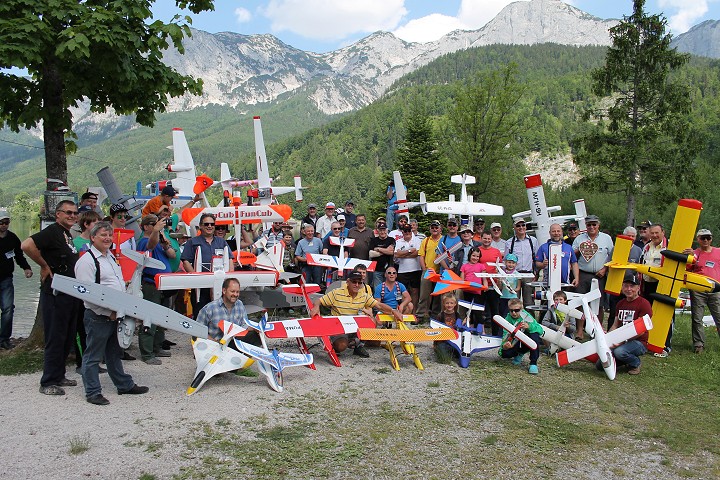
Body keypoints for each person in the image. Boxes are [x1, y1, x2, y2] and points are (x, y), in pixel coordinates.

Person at [75, 222, 149, 405]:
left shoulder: (109, 257)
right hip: (99, 316)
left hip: (116, 315)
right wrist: (108, 312)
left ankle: (123, 384)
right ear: (93, 237)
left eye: (109, 235)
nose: (107, 238)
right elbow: (87, 294)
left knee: (113, 353)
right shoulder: (87, 261)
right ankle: (92, 392)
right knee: (93, 355)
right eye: (103, 235)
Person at [21, 200, 81, 395]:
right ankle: (48, 381)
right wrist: (44, 265)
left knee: (67, 335)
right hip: (55, 292)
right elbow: (27, 245)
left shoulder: (66, 234)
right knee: (55, 336)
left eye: (75, 213)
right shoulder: (52, 231)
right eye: (68, 213)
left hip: (70, 291)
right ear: (58, 214)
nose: (72, 216)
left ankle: (59, 374)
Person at [309, 270, 402, 357]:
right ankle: (339, 343)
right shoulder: (336, 293)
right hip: (339, 327)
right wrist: (316, 307)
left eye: (360, 282)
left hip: (354, 326)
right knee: (341, 346)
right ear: (348, 282)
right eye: (354, 282)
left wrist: (393, 311)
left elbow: (379, 305)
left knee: (375, 339)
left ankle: (358, 345)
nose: (357, 285)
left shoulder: (364, 295)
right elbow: (319, 301)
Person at [136, 214, 175, 365]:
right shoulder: (144, 241)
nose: (157, 226)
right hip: (150, 283)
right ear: (146, 226)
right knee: (150, 318)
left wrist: (165, 242)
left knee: (161, 318)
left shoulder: (159, 241)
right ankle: (147, 352)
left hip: (163, 284)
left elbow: (171, 255)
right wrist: (156, 232)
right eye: (153, 223)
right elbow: (149, 246)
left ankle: (157, 346)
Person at [180, 213, 234, 316]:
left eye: (212, 224)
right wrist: (196, 277)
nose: (209, 226)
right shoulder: (192, 242)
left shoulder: (222, 242)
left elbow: (230, 259)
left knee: (220, 313)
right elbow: (186, 261)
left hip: (219, 285)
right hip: (200, 287)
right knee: (200, 313)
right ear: (200, 226)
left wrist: (229, 278)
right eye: (206, 224)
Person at [601, 273, 653, 375]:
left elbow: (641, 331)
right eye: (626, 286)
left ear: (638, 288)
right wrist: (608, 338)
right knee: (600, 364)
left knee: (619, 352)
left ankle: (635, 363)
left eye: (632, 286)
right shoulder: (620, 303)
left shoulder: (644, 304)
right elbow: (615, 324)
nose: (629, 289)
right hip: (622, 340)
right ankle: (623, 361)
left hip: (639, 342)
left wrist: (622, 341)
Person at [572, 214, 613, 339]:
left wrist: (605, 269)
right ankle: (580, 330)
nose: (591, 227)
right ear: (586, 225)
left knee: (598, 304)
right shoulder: (579, 238)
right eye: (589, 224)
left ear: (598, 225)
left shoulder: (606, 238)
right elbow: (572, 256)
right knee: (581, 302)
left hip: (600, 275)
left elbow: (612, 256)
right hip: (583, 273)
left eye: (594, 224)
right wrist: (581, 248)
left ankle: (597, 329)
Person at [0, 210, 33, 350]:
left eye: (6, 222)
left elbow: (19, 255)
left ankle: (4, 339)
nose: (3, 225)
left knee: (8, 309)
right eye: (1, 223)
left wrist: (26, 268)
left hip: (6, 278)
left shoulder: (12, 238)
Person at [684, 229, 720, 354]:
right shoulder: (694, 253)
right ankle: (699, 344)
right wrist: (687, 257)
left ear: (711, 239)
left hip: (715, 288)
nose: (706, 240)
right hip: (698, 289)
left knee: (718, 316)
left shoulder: (718, 252)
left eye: (708, 238)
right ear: (698, 239)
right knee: (697, 317)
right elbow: (687, 269)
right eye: (703, 238)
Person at [196, 278, 260, 346]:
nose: (235, 294)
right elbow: (198, 330)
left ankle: (245, 356)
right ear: (224, 291)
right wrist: (214, 342)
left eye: (237, 292)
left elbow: (244, 325)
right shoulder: (209, 308)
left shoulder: (240, 304)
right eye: (232, 291)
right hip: (215, 344)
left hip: (233, 342)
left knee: (255, 336)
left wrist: (255, 328)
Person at [641, 223, 671, 356]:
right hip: (647, 284)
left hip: (662, 284)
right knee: (648, 313)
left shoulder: (670, 246)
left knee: (665, 314)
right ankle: (649, 341)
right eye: (652, 233)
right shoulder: (647, 246)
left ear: (663, 232)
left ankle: (665, 345)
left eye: (657, 233)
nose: (654, 235)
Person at [498, 298, 543, 374]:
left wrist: (529, 327)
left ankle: (533, 363)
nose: (514, 313)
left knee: (534, 335)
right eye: (511, 310)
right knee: (505, 354)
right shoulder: (507, 318)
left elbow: (540, 330)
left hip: (527, 339)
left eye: (516, 310)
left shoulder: (527, 316)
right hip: (515, 341)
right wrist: (505, 345)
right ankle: (519, 353)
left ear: (521, 309)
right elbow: (505, 334)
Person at [504, 219, 538, 308]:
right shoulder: (509, 242)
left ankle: (529, 321)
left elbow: (536, 259)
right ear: (514, 228)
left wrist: (536, 274)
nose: (521, 227)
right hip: (514, 275)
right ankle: (513, 321)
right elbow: (506, 260)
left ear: (526, 227)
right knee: (513, 301)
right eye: (518, 226)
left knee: (529, 302)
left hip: (528, 274)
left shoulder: (533, 241)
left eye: (523, 225)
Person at [534, 223, 579, 287]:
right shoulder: (543, 247)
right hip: (548, 283)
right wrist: (542, 264)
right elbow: (537, 264)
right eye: (553, 231)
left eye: (558, 231)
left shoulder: (568, 247)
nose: (556, 233)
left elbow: (574, 263)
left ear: (562, 232)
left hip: (565, 283)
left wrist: (576, 278)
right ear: (549, 233)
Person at [417, 220, 444, 321]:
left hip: (440, 272)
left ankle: (435, 315)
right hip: (428, 270)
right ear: (430, 229)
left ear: (440, 229)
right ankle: (420, 314)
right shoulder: (426, 240)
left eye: (436, 227)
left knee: (437, 295)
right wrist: (424, 269)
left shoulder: (443, 240)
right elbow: (421, 256)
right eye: (432, 227)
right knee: (424, 294)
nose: (434, 229)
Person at [479, 231, 502, 335]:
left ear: (491, 239)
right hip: (480, 284)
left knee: (495, 311)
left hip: (493, 285)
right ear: (481, 238)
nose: (487, 240)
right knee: (479, 310)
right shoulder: (477, 250)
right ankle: (479, 332)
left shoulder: (496, 251)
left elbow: (500, 267)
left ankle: (496, 334)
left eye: (489, 239)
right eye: (485, 238)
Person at [394, 225, 422, 312]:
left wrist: (403, 254)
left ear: (411, 231)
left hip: (415, 269)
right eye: (405, 231)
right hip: (402, 270)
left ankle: (414, 311)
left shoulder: (417, 240)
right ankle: (404, 310)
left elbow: (417, 253)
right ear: (402, 232)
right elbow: (396, 254)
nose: (407, 233)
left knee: (415, 291)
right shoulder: (398, 241)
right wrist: (409, 251)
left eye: (409, 231)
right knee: (402, 291)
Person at [459, 247, 487, 328]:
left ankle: (481, 329)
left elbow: (484, 278)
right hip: (467, 291)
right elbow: (462, 279)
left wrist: (485, 286)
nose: (475, 258)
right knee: (468, 310)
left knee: (478, 310)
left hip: (478, 292)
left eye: (477, 256)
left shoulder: (481, 266)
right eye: (473, 256)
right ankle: (469, 326)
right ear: (469, 255)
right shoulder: (464, 266)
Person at [368, 221, 395, 289]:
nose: (382, 232)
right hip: (377, 270)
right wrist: (386, 250)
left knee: (388, 289)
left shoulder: (391, 240)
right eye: (381, 230)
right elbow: (371, 254)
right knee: (378, 290)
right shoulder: (373, 240)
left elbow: (392, 252)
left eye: (384, 230)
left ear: (386, 230)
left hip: (389, 270)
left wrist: (378, 249)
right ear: (377, 230)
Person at [434, 294, 461, 359]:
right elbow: (435, 330)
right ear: (443, 304)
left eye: (451, 303)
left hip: (454, 339)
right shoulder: (440, 315)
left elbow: (459, 328)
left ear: (455, 304)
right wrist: (435, 343)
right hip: (443, 340)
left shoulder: (457, 315)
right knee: (442, 355)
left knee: (458, 354)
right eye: (447, 303)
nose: (449, 305)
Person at [498, 254, 522, 319]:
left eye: (513, 263)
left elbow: (518, 287)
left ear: (516, 264)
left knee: (510, 314)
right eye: (509, 262)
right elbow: (500, 287)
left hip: (513, 298)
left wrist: (513, 290)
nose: (511, 265)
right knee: (502, 314)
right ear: (505, 262)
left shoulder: (517, 274)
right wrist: (499, 281)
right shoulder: (502, 273)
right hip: (503, 297)